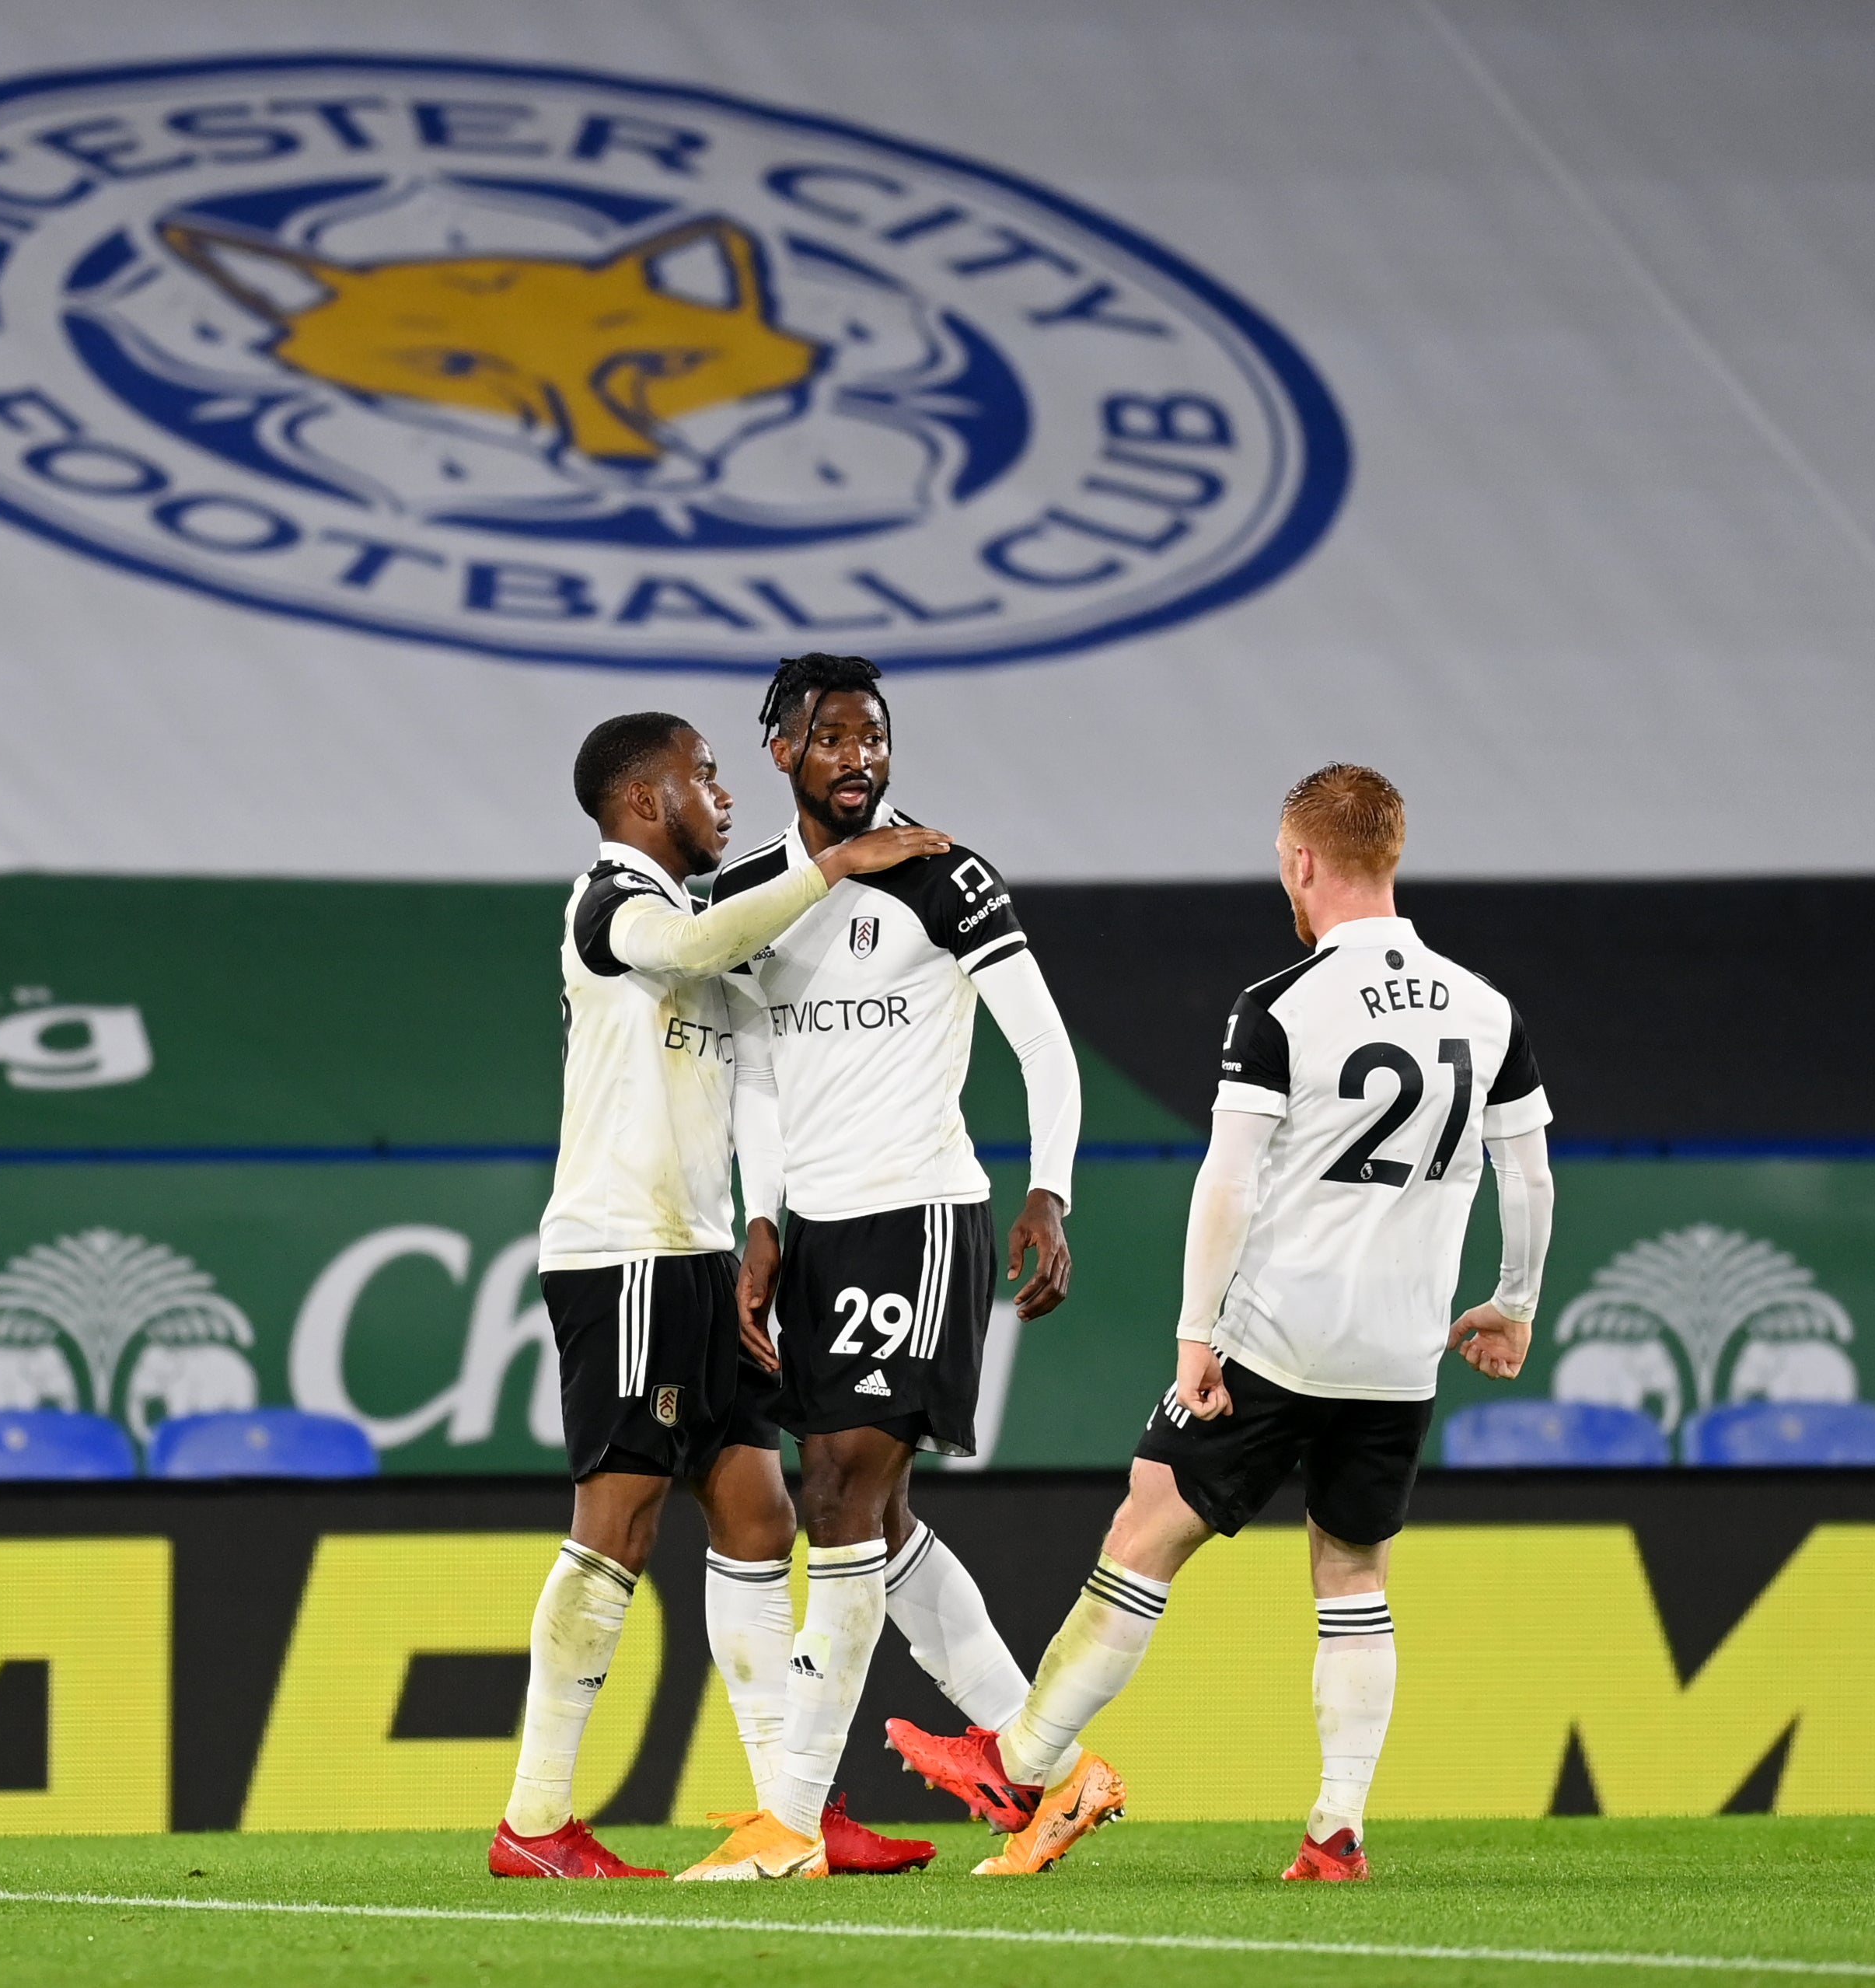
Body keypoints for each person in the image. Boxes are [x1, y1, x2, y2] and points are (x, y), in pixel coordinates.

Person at [888, 762, 1556, 1881]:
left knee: (1147, 1528)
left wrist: (1198, 1331)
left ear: (1301, 861)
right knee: (1354, 1575)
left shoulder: (1282, 1005)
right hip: (1399, 1351)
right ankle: (1337, 1828)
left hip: (1279, 1335)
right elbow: (1527, 1175)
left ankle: (1023, 1759)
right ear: (1391, 851)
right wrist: (1516, 1300)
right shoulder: (1488, 1009)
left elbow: (1229, 1181)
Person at [491, 711, 950, 1878]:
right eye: (703, 775)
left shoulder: (687, 921)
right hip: (626, 1254)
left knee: (757, 1516)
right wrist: (832, 863)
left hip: (695, 1256)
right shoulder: (609, 904)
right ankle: (535, 1819)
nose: (725, 793)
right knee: (620, 1523)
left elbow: (752, 1041)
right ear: (646, 801)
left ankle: (784, 1816)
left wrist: (759, 1221)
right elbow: (693, 954)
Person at [674, 654, 1084, 1882]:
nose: (860, 758)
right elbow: (754, 1072)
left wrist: (1050, 1188)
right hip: (818, 1233)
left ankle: (790, 1822)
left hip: (922, 1214)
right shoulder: (749, 889)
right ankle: (1052, 1772)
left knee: (841, 1501)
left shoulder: (946, 875)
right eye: (834, 737)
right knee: (872, 1515)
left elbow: (1044, 1047)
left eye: (875, 738)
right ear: (782, 750)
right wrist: (762, 1221)